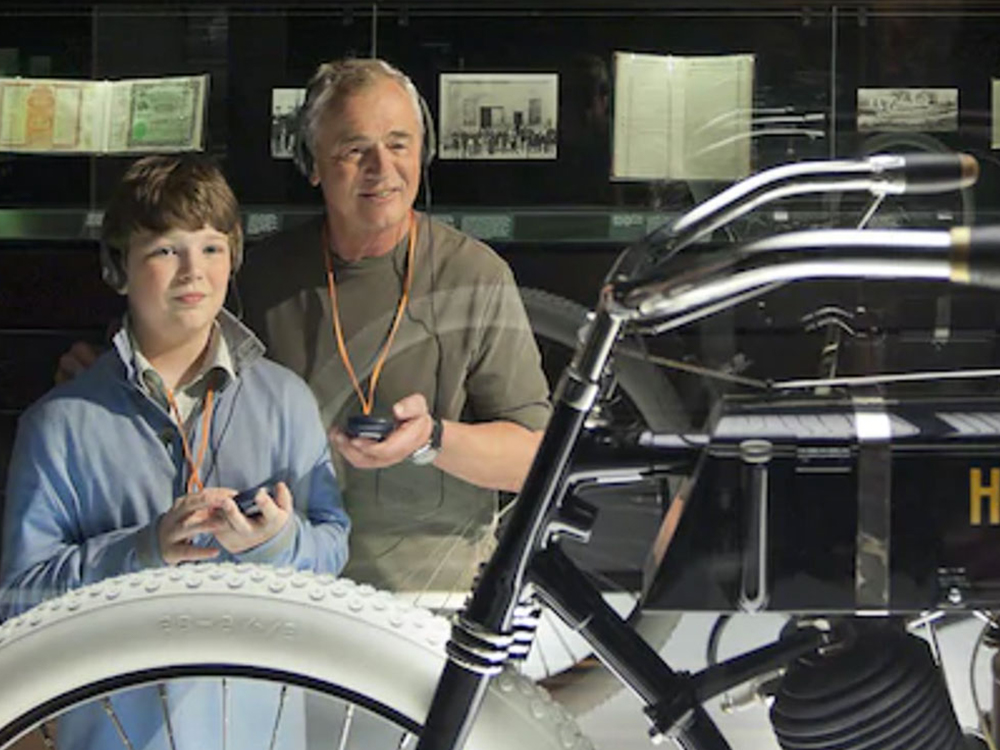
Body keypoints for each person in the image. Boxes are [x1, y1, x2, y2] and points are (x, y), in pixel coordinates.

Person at [3, 154, 350, 748]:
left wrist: (277, 543)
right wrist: (143, 550)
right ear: (118, 267)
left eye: (211, 248)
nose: (193, 271)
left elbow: (332, 550)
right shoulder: (60, 424)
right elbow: (20, 601)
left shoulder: (286, 400)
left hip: (258, 732)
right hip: (114, 734)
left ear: (233, 257)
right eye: (165, 250)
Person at [237, 58, 551, 595]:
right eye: (355, 149)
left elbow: (533, 459)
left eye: (399, 144)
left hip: (429, 597)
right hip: (285, 587)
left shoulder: (475, 275)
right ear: (312, 164)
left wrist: (431, 439)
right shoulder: (257, 277)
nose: (382, 168)